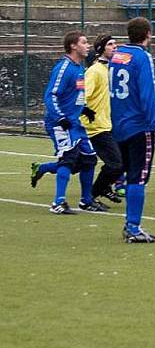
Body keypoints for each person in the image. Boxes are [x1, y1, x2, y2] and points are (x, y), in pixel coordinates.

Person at [109, 17, 155, 243]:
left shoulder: (117, 55)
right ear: (148, 34)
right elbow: (147, 94)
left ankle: (131, 224)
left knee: (129, 174)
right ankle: (133, 227)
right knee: (138, 177)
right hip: (139, 126)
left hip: (119, 124)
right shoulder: (143, 57)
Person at [31, 31, 101, 214]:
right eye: (84, 42)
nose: (88, 46)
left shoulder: (79, 68)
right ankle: (58, 203)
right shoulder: (64, 67)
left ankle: (86, 200)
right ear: (73, 46)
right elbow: (51, 95)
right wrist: (60, 117)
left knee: (89, 159)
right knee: (68, 159)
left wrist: (84, 109)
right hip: (59, 123)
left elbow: (76, 95)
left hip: (75, 122)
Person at [80, 34, 125, 205]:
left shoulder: (111, 70)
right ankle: (90, 196)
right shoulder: (95, 70)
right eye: (111, 44)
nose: (115, 47)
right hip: (96, 127)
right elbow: (84, 94)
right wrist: (85, 109)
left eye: (115, 44)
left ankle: (101, 189)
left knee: (117, 163)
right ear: (101, 49)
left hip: (108, 124)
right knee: (115, 164)